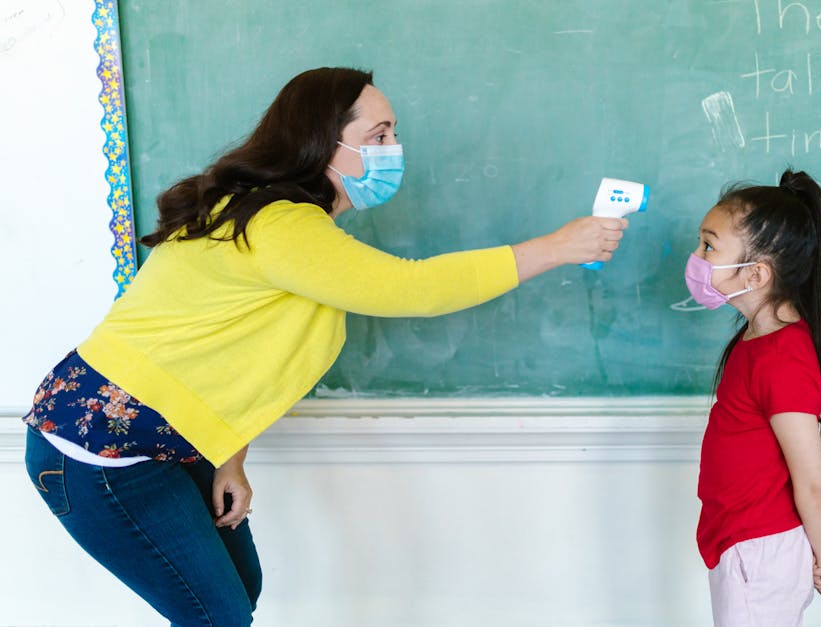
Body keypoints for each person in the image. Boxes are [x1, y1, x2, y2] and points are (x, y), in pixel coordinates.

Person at [22, 67, 629, 625]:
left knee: (237, 592)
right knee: (217, 616)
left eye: (394, 133)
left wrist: (230, 458)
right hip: (98, 450)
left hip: (165, 442)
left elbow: (239, 352)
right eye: (379, 133)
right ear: (325, 141)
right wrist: (554, 247)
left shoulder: (289, 227)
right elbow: (412, 288)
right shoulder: (279, 224)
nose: (393, 148)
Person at [684, 169, 821, 625]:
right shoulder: (755, 341)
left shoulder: (785, 360)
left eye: (708, 246)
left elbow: (813, 482)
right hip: (743, 546)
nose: (696, 258)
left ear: (756, 273)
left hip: (761, 554)